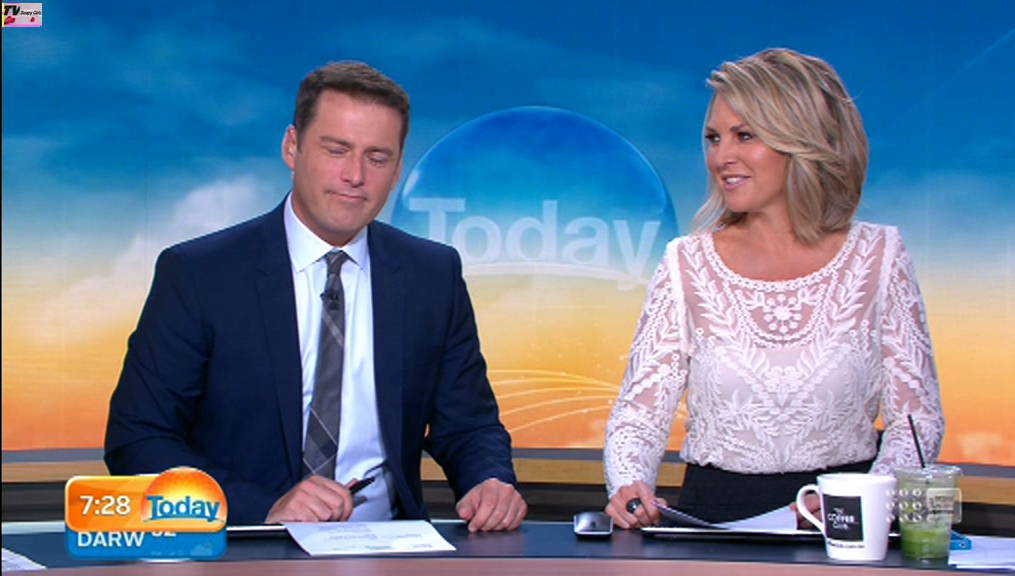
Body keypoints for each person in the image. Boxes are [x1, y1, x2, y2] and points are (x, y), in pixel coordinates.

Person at [105, 61, 527, 531]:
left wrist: (489, 480)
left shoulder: (432, 275)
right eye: (336, 150)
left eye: (377, 157)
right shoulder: (199, 274)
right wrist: (262, 508)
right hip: (244, 547)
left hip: (388, 547)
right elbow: (137, 440)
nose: (355, 175)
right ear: (292, 147)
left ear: (397, 170)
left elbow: (469, 425)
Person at [602, 48, 944, 528]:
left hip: (841, 526)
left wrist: (859, 503)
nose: (721, 157)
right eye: (713, 138)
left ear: (800, 139)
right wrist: (628, 485)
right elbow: (638, 420)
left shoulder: (880, 256)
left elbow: (917, 423)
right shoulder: (686, 263)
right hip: (713, 525)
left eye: (744, 135)